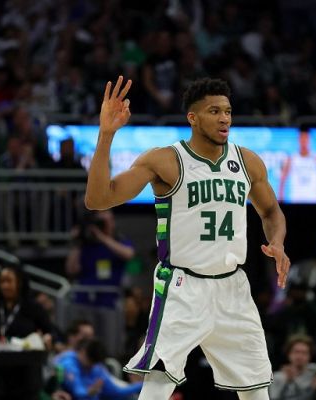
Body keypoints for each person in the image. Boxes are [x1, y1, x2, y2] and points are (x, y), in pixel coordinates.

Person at [85, 76, 290, 399]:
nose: (224, 118)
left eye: (228, 111)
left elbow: (271, 213)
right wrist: (106, 135)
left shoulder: (248, 161)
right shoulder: (164, 160)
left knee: (256, 389)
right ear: (193, 118)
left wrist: (277, 242)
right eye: (214, 111)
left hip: (233, 286)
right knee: (158, 381)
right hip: (183, 286)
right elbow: (98, 199)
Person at [0, 266, 53, 400]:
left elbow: (50, 331)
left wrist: (48, 338)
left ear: (19, 283)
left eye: (9, 281)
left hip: (27, 374)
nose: (5, 286)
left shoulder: (33, 307)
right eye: (2, 281)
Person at [278, 126, 316, 203]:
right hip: (295, 203)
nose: (304, 141)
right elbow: (282, 183)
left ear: (309, 139)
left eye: (306, 138)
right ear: (298, 139)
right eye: (301, 138)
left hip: (314, 202)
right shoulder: (291, 159)